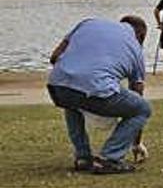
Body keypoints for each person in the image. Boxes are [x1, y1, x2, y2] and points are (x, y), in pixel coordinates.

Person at [46, 16, 151, 175]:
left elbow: (54, 57)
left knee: (72, 103)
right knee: (143, 109)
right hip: (95, 87)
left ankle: (83, 157)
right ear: (141, 36)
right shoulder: (136, 48)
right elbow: (137, 94)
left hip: (57, 85)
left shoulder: (87, 23)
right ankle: (110, 158)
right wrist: (135, 143)